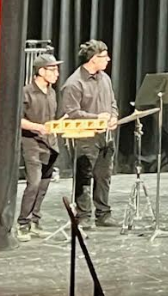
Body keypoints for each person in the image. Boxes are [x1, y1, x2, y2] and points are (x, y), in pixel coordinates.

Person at [60, 40, 119, 228]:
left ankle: (103, 213)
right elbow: (72, 112)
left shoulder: (105, 78)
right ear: (93, 59)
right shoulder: (74, 83)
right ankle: (83, 215)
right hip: (85, 137)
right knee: (84, 176)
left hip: (105, 136)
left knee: (104, 176)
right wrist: (97, 118)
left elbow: (112, 102)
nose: (108, 59)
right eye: (104, 56)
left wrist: (114, 116)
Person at [17, 53, 63, 241]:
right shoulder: (26, 92)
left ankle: (35, 220)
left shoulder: (52, 92)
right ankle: (23, 224)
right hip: (32, 143)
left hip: (50, 144)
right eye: (53, 70)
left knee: (43, 184)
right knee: (34, 183)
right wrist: (38, 127)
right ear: (41, 71)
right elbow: (18, 120)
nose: (57, 73)